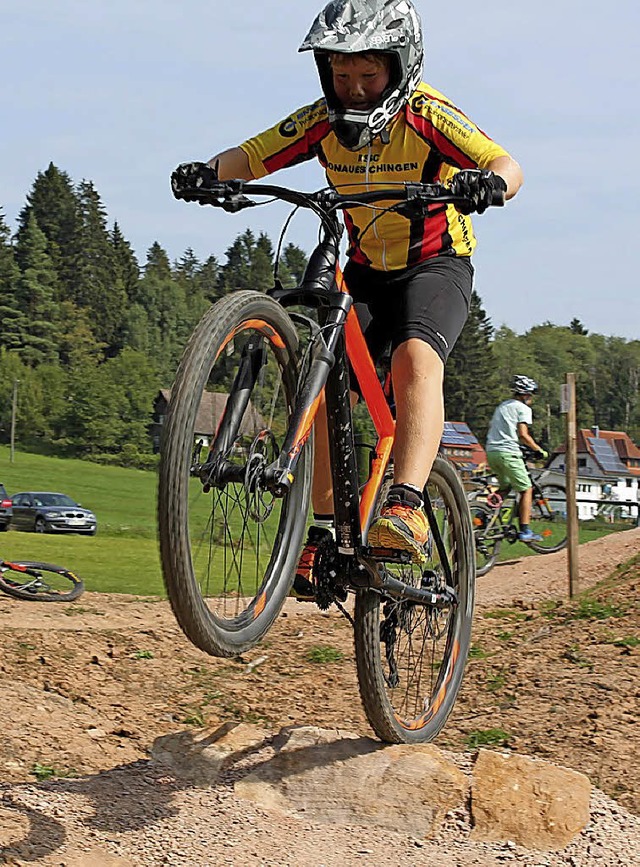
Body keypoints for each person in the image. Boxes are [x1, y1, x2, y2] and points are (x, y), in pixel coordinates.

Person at [178, 0, 523, 595]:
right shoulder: (320, 120)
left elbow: (505, 162)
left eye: (368, 76)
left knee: (415, 359)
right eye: (341, 76)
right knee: (322, 372)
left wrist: (487, 183)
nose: (355, 90)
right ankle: (321, 530)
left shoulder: (426, 115)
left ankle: (408, 504)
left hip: (434, 263)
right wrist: (209, 171)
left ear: (399, 67)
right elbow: (255, 154)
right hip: (362, 268)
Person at [485, 375, 549, 542]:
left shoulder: (502, 406)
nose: (532, 398)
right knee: (526, 489)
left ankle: (484, 515)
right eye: (531, 394)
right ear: (526, 394)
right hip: (508, 453)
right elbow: (523, 434)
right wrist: (539, 450)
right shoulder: (523, 409)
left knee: (505, 486)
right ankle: (525, 531)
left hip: (492, 452)